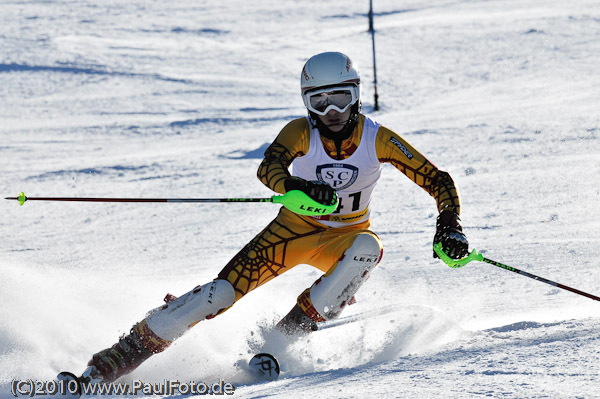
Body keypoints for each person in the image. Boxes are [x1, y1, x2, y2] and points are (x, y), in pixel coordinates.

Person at [79, 51, 469, 383]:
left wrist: (449, 225)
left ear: (357, 97)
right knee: (218, 294)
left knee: (368, 248)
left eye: (341, 98)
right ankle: (116, 359)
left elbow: (437, 179)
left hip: (344, 239)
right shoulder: (301, 132)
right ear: (306, 104)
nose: (332, 111)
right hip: (291, 233)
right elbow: (270, 167)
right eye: (320, 102)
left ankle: (282, 343)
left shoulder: (377, 137)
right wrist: (294, 187)